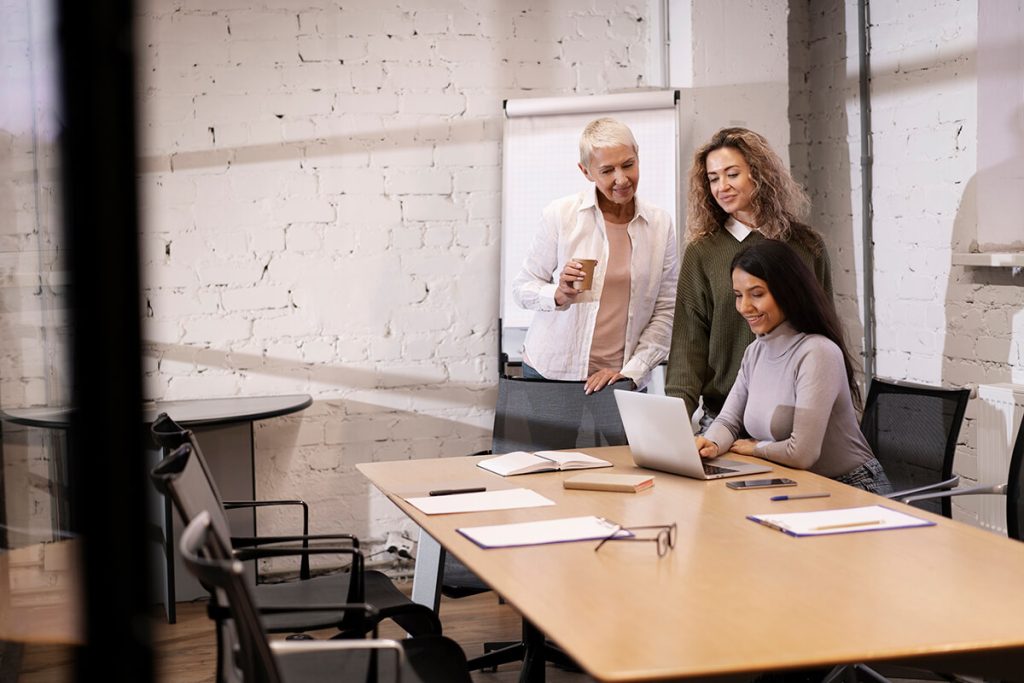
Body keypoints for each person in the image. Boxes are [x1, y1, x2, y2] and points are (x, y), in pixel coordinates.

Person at [665, 127, 832, 430]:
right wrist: (672, 424)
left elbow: (824, 329)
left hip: (792, 418)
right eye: (713, 178)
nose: (722, 186)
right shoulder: (702, 253)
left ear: (758, 174)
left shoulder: (806, 246)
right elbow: (688, 346)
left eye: (732, 174)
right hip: (722, 417)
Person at [694, 240, 891, 494]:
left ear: (787, 292)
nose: (744, 307)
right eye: (738, 295)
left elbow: (802, 453)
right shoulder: (755, 352)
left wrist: (756, 448)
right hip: (799, 485)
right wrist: (710, 442)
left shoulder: (817, 352)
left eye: (757, 294)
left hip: (854, 490)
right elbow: (729, 421)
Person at [512, 117, 678, 394]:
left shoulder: (660, 224)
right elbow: (521, 288)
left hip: (621, 378)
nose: (622, 179)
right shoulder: (561, 215)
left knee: (622, 441)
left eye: (628, 165)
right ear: (586, 171)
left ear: (638, 157)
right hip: (552, 371)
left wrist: (631, 371)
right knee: (555, 441)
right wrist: (558, 294)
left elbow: (666, 309)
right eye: (607, 170)